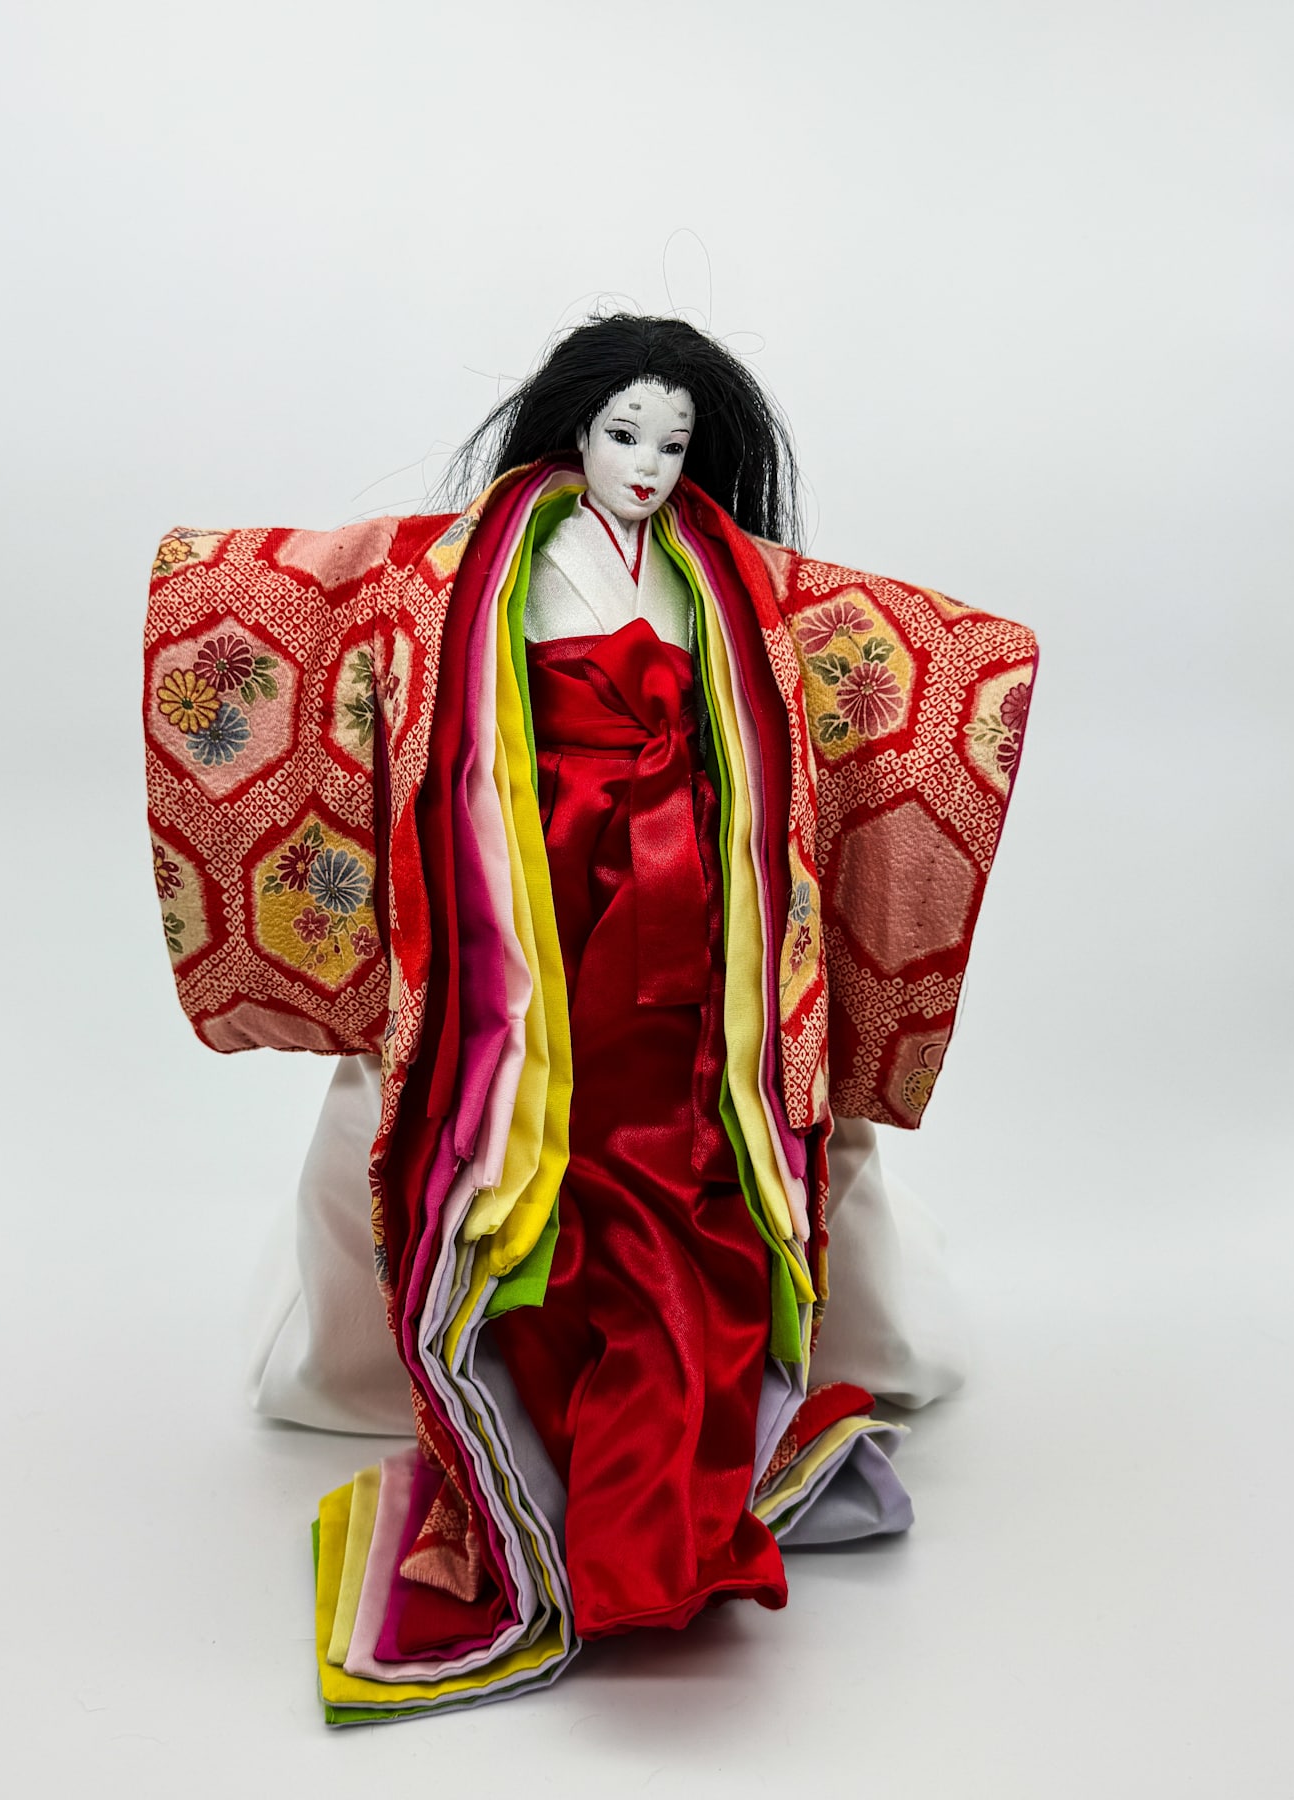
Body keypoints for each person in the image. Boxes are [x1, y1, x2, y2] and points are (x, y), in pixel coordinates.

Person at [143, 314, 1038, 1721]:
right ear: (573, 429)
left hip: (694, 922)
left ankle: (664, 1494)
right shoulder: (482, 562)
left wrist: (982, 663)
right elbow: (328, 601)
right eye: (625, 433)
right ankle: (537, 1429)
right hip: (525, 901)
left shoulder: (721, 573)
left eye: (675, 443)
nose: (647, 465)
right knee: (530, 1172)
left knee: (689, 1178)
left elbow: (849, 663)